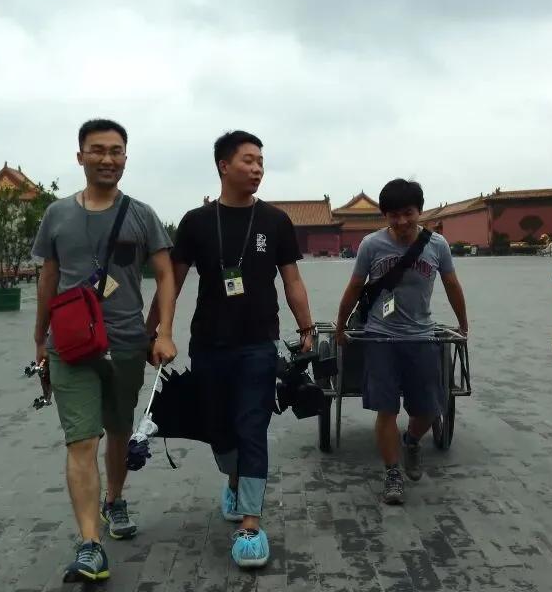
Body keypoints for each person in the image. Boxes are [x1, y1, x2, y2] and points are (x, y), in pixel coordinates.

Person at [159, 130, 315, 568]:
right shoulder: (196, 222)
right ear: (223, 166)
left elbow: (292, 279)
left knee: (252, 428)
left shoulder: (275, 221)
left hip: (258, 344)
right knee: (219, 430)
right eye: (248, 160)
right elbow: (172, 282)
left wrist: (306, 327)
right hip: (209, 344)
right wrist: (159, 331)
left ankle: (250, 523)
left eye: (261, 161)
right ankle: (233, 480)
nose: (257, 168)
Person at [31, 118, 178, 583]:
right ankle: (90, 544)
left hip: (127, 342)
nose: (107, 159)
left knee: (117, 430)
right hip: (70, 345)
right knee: (81, 440)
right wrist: (39, 337)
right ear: (80, 156)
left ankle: (114, 499)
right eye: (97, 150)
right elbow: (48, 278)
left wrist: (163, 332)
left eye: (116, 151)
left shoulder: (142, 215)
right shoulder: (56, 214)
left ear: (125, 159)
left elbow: (166, 275)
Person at [333, 179, 468, 505]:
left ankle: (411, 440)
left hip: (421, 336)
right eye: (394, 215)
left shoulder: (437, 245)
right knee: (387, 409)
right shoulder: (371, 245)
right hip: (380, 339)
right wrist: (340, 325)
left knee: (429, 408)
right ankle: (392, 473)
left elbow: (452, 284)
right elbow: (355, 286)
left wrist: (463, 323)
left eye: (408, 213)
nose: (402, 221)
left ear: (419, 211)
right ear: (385, 215)